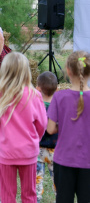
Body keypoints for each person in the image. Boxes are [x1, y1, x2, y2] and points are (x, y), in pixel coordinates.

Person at [0, 52, 47, 203]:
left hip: (5, 153)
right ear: (26, 71)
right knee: (29, 195)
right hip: (28, 153)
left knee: (7, 195)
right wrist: (35, 140)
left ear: (4, 71)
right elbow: (42, 124)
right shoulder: (35, 95)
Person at [46, 51, 90, 203]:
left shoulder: (59, 97)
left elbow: (50, 129)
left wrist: (65, 125)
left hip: (64, 160)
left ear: (69, 71)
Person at [35, 71, 58, 202]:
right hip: (55, 151)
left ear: (38, 88)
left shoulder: (36, 106)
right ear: (57, 89)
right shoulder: (59, 106)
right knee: (58, 184)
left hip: (38, 150)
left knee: (37, 183)